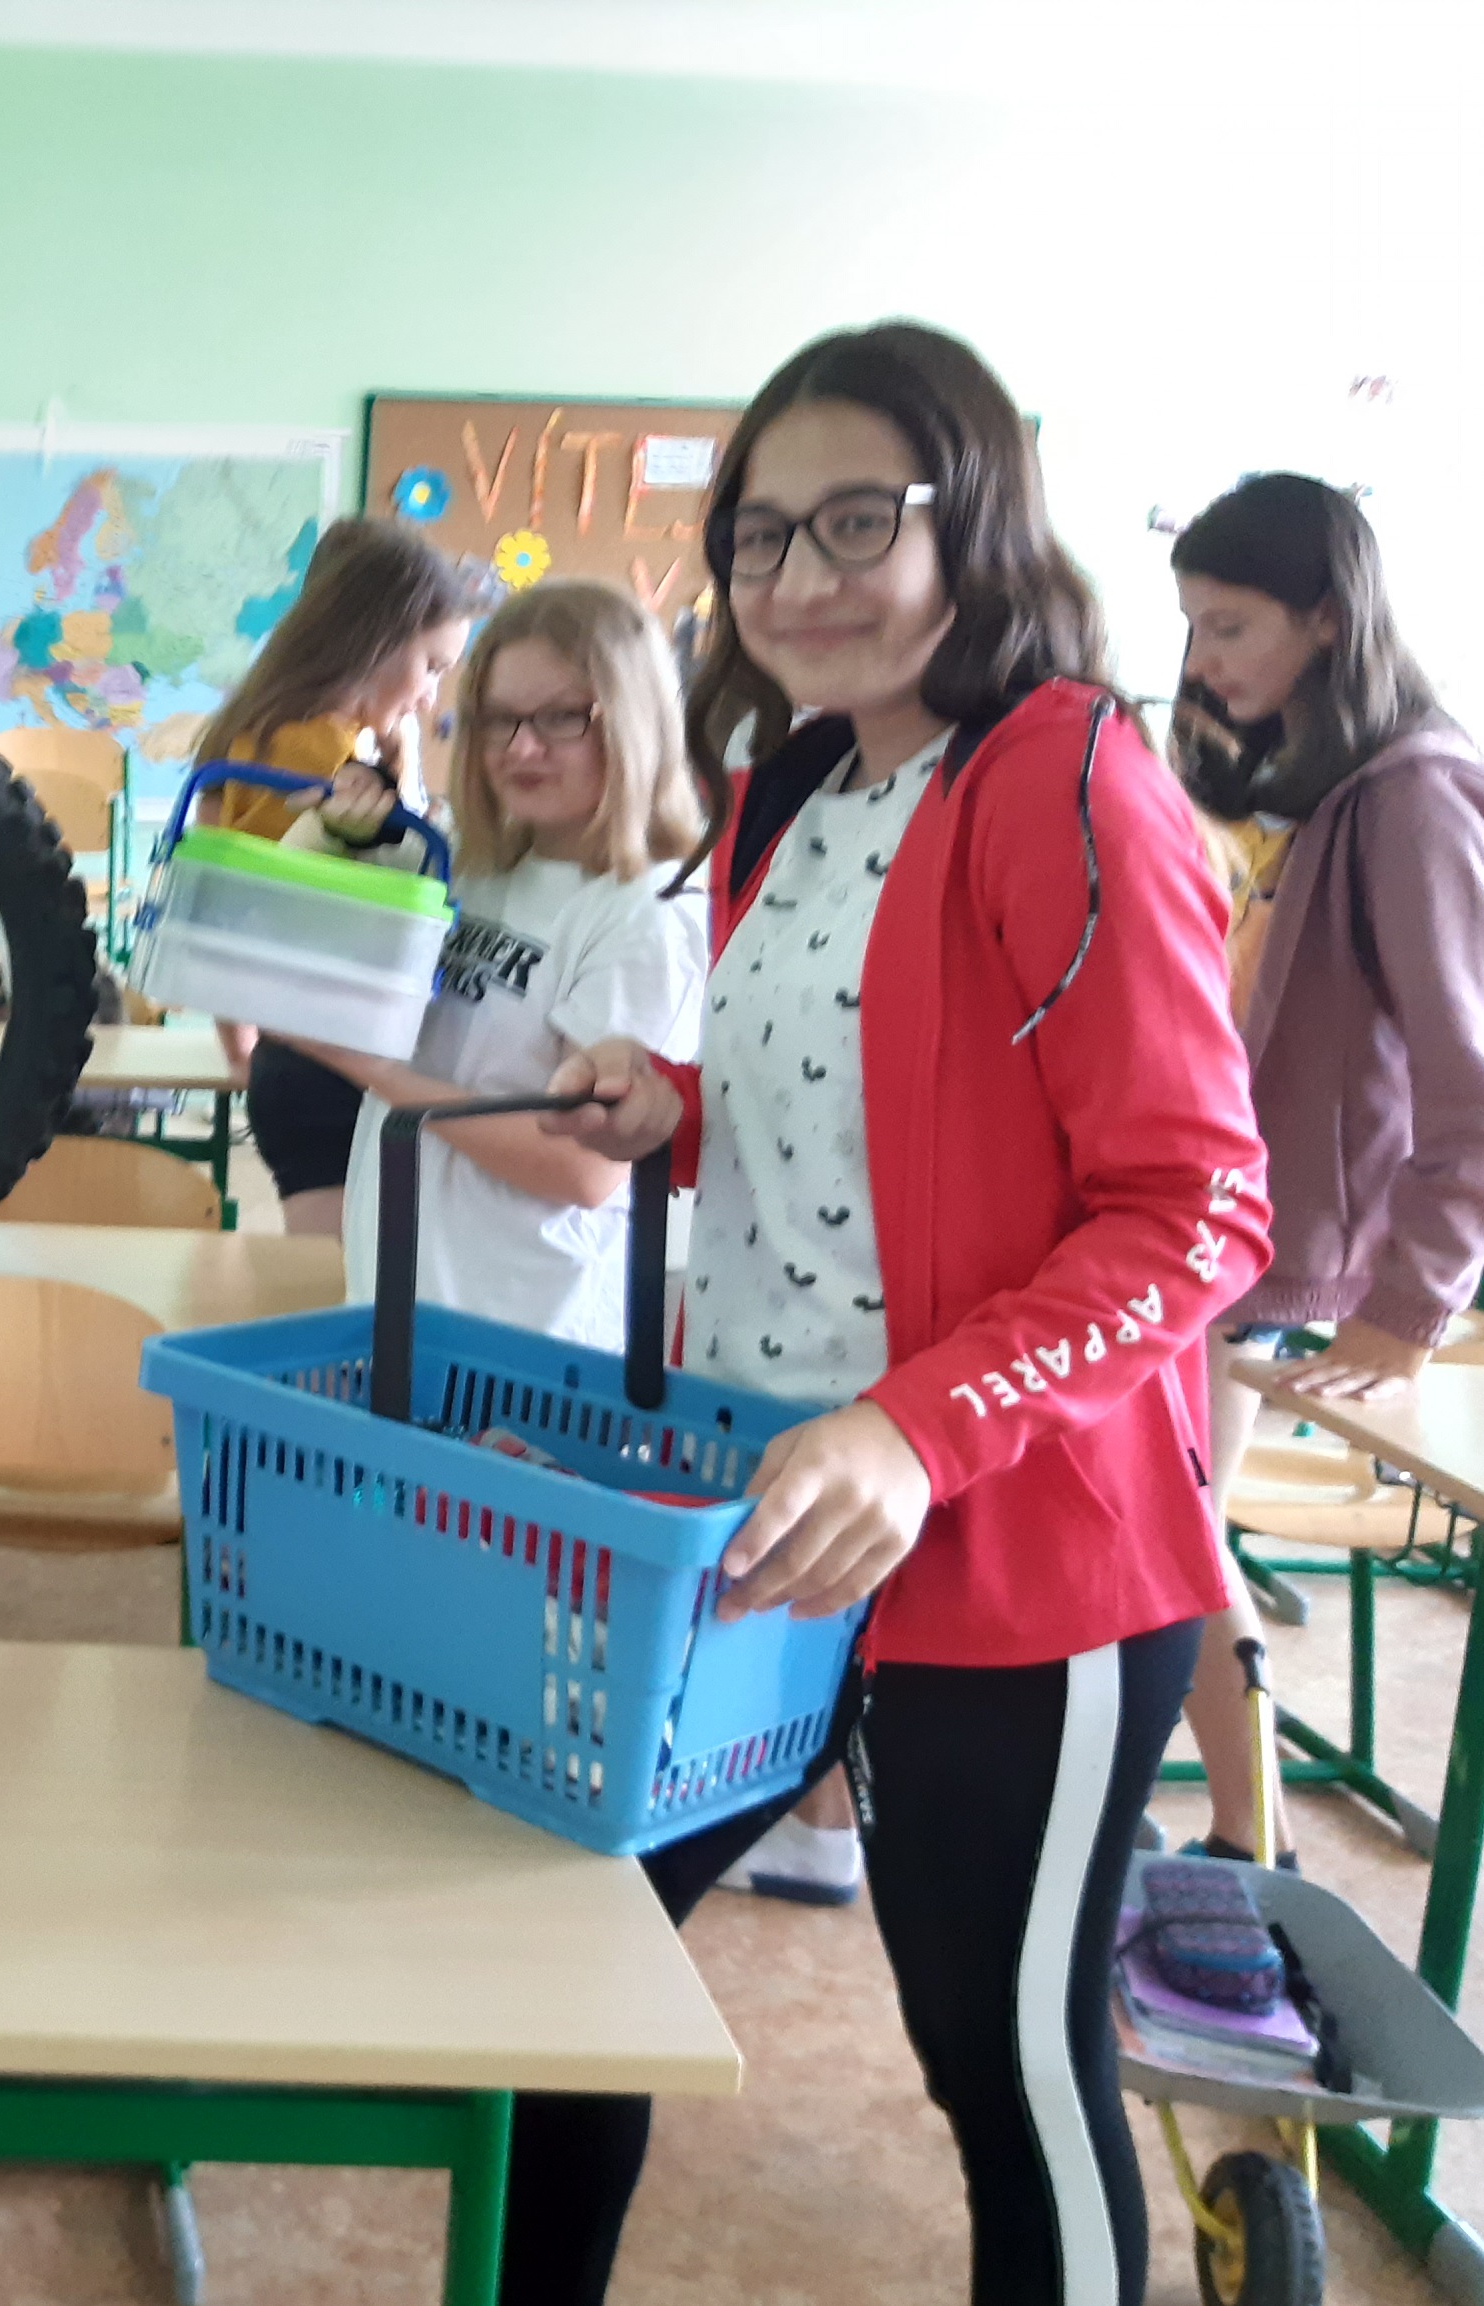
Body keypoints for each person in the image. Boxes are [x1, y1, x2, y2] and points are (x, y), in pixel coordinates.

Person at [529, 321, 1271, 2306]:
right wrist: (672, 1109)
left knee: (1002, 2068)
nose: (798, 576)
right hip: (760, 1512)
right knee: (560, 1963)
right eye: (759, 534)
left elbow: (1195, 1207)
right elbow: (875, 1110)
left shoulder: (1065, 776)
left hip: (1018, 1552)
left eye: (858, 519)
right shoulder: (791, 791)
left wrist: (915, 1428)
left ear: (977, 518)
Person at [1164, 472, 1484, 1864]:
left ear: (1328, 619)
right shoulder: (1310, 780)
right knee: (1175, 1525)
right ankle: (1246, 1832)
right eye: (1191, 624)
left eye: (1229, 627)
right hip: (1218, 1218)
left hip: (1273, 1243)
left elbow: (1470, 1081)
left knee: (1173, 1532)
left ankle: (1250, 1840)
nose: (1202, 658)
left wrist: (1406, 1311)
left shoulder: (1414, 792)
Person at [273, 579, 705, 1346]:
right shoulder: (472, 869)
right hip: (404, 1306)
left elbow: (585, 1170)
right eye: (498, 719)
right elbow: (279, 933)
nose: (520, 748)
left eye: (561, 718)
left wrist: (365, 1067)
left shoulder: (647, 909)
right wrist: (338, 837)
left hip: (525, 1338)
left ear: (632, 721)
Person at [188, 517, 474, 1235]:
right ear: (374, 640)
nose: (431, 696)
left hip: (286, 1053)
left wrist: (239, 1048)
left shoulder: (254, 727)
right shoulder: (327, 754)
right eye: (431, 666)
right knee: (347, 1279)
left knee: (327, 1270)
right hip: (335, 1056)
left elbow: (217, 902)